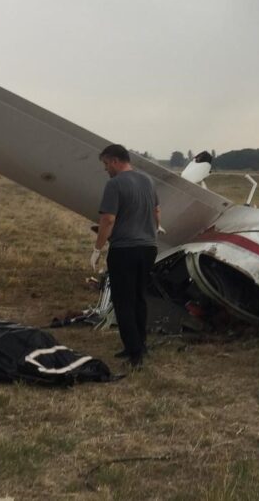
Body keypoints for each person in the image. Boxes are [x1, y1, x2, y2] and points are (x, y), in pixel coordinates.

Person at [91, 144, 160, 369]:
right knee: (139, 298)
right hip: (149, 248)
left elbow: (108, 220)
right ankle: (140, 344)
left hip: (124, 250)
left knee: (123, 301)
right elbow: (156, 213)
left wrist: (97, 248)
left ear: (114, 161)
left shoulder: (114, 184)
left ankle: (134, 354)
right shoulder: (147, 181)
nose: (105, 169)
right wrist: (151, 232)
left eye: (105, 164)